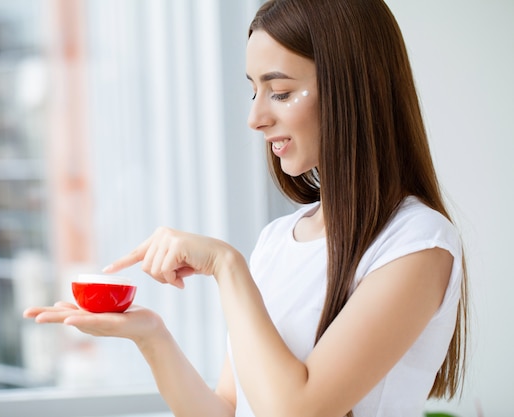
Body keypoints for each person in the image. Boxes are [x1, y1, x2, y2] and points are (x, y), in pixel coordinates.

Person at [24, 0, 469, 416]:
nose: (255, 117)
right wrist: (150, 336)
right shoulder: (278, 240)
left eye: (279, 92)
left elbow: (297, 409)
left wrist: (225, 264)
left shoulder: (417, 244)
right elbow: (228, 408)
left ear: (352, 89)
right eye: (253, 91)